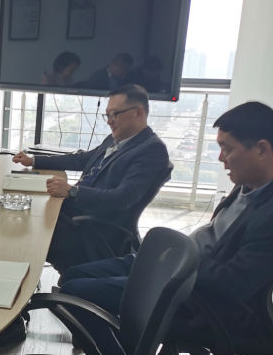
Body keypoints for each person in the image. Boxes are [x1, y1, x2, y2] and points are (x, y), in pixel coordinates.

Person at [58, 102, 273, 355]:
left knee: (75, 292)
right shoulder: (261, 177)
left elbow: (232, 284)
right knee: (72, 276)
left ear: (262, 149)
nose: (221, 158)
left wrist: (175, 266)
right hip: (180, 265)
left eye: (227, 149)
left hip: (194, 291)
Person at [13, 84, 170, 273]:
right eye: (107, 115)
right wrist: (34, 160)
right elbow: (80, 160)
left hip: (91, 229)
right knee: (18, 209)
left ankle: (17, 280)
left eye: (115, 114)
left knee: (22, 228)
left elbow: (123, 198)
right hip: (73, 213)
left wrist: (72, 191)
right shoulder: (116, 138)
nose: (110, 121)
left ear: (138, 112)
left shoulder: (152, 150)